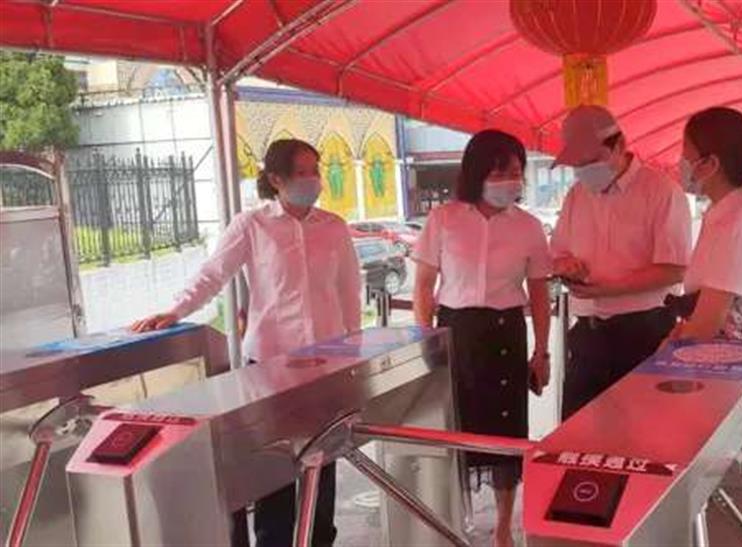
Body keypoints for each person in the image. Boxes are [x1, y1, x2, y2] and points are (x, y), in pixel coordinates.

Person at [131, 139, 361, 547]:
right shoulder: (252, 226)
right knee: (272, 467)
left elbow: (348, 291)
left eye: (315, 171)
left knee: (321, 462)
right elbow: (213, 274)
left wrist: (353, 350)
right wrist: (176, 310)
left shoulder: (333, 227)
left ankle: (319, 539)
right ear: (276, 179)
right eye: (302, 172)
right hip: (270, 364)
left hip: (326, 364)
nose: (313, 180)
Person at [411, 130, 551, 547]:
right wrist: (426, 341)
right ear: (477, 173)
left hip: (507, 331)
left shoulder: (529, 226)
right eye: (500, 172)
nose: (510, 180)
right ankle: (458, 521)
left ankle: (505, 528)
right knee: (458, 429)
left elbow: (539, 294)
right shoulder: (444, 219)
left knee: (507, 434)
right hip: (457, 331)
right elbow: (423, 286)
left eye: (516, 172)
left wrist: (541, 352)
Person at [550, 105, 692, 418]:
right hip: (588, 336)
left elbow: (674, 270)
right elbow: (557, 254)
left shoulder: (661, 192)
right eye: (578, 165)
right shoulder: (577, 195)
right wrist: (566, 266)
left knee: (641, 432)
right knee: (577, 434)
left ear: (619, 145)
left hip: (644, 334)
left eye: (591, 161)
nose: (584, 170)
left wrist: (609, 290)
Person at [667, 106, 742, 343]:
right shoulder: (722, 214)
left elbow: (707, 323)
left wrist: (669, 347)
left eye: (686, 154)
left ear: (710, 164)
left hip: (740, 356)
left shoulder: (737, 224)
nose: (681, 163)